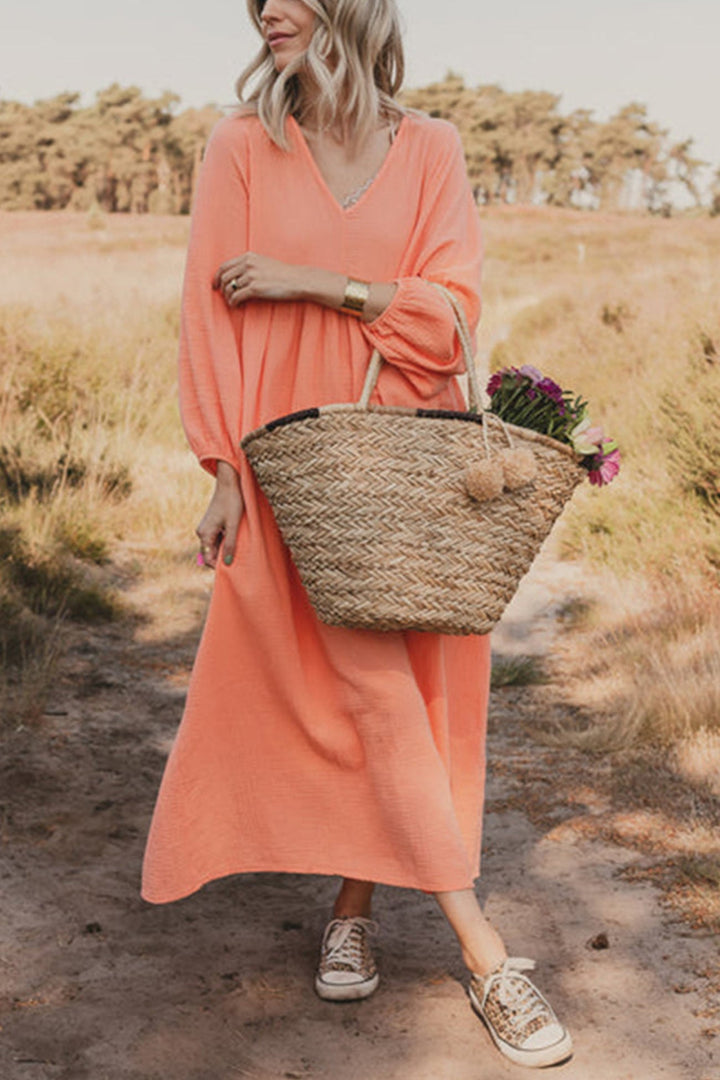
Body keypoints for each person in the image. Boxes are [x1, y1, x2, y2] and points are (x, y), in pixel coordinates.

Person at [141, 0, 572, 1069]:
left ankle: (355, 910)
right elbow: (209, 316)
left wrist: (314, 284)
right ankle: (488, 958)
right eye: (258, 1)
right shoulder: (243, 146)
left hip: (400, 460)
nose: (268, 10)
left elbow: (448, 314)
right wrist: (223, 471)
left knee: (403, 691)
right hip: (290, 461)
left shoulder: (431, 147)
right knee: (367, 690)